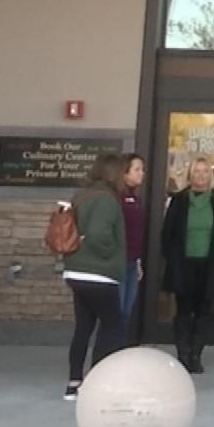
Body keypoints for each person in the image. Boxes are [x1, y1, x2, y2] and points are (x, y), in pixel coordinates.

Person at [160, 158, 214, 374]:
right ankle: (183, 353)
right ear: (190, 175)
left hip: (210, 266)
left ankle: (196, 354)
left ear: (210, 176)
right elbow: (168, 234)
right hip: (184, 265)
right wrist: (173, 260)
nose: (201, 176)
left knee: (203, 312)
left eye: (205, 172)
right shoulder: (179, 200)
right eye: (197, 171)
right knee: (184, 310)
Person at [61, 155, 126, 400]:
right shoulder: (107, 200)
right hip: (99, 273)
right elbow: (99, 233)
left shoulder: (81, 196)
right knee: (112, 326)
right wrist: (111, 253)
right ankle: (97, 382)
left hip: (75, 270)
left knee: (83, 327)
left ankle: (73, 382)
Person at [117, 153, 148, 347]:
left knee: (126, 310)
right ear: (124, 172)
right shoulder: (116, 198)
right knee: (117, 311)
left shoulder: (134, 199)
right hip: (118, 262)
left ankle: (120, 349)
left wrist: (137, 262)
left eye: (142, 170)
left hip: (131, 261)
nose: (141, 173)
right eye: (137, 169)